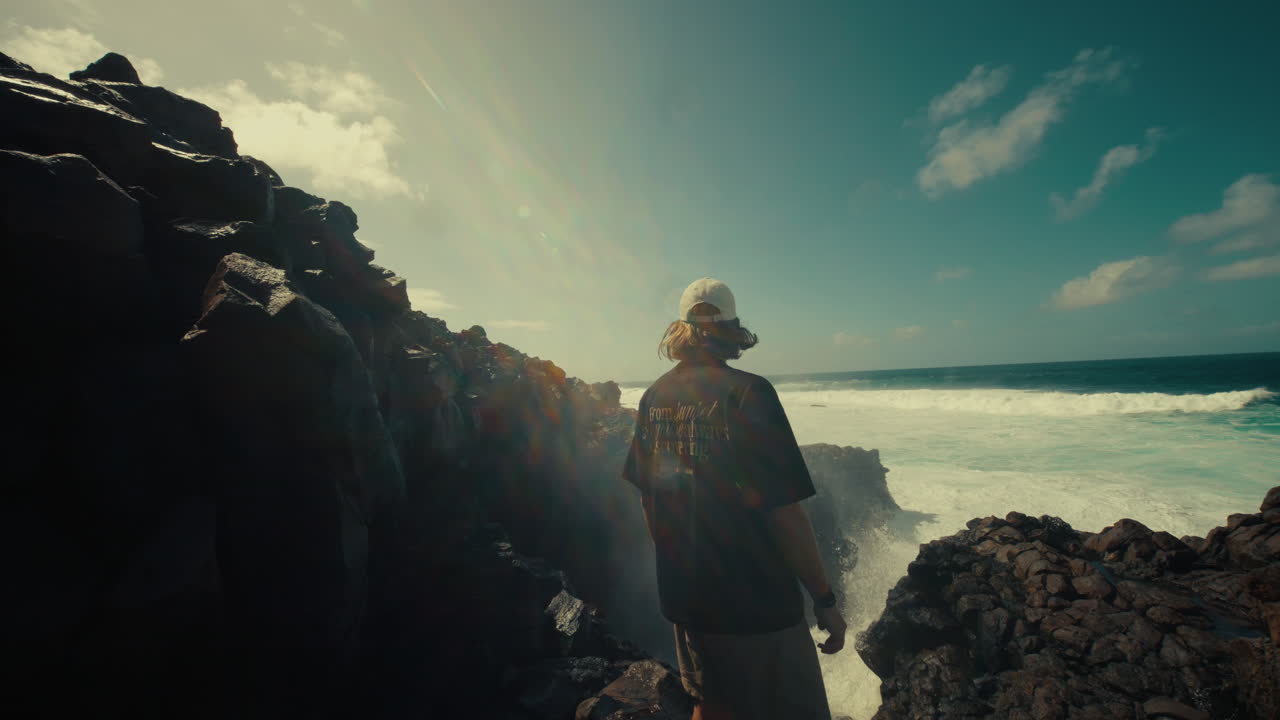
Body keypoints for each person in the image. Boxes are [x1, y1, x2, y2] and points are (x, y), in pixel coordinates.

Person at [623, 277, 846, 720]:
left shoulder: (653, 397)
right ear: (731, 328)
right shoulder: (749, 393)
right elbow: (785, 513)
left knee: (712, 704)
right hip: (757, 604)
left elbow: (649, 502)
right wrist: (824, 598)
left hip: (688, 599)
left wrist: (682, 566)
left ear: (681, 329)